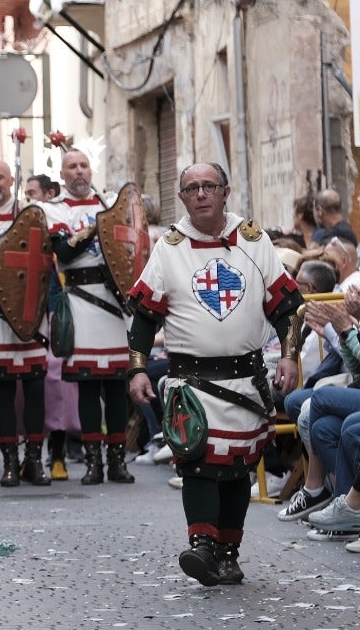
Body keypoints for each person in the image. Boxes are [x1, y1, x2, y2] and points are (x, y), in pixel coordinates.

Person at [127, 163, 304, 585]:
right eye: (192, 188)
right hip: (191, 382)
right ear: (182, 198)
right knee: (198, 462)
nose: (201, 193)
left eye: (209, 186)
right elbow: (145, 316)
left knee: (237, 467)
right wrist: (137, 369)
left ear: (226, 191)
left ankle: (228, 552)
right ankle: (202, 546)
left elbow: (287, 307)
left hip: (245, 379)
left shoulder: (254, 241)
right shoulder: (169, 247)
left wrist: (290, 356)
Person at [45, 149, 135, 485]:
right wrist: (99, 226)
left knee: (114, 386)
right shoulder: (55, 209)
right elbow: (64, 252)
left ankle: (117, 462)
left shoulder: (112, 204)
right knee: (86, 385)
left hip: (114, 300)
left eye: (84, 165)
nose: (80, 172)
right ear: (63, 174)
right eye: (72, 167)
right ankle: (93, 462)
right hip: (81, 302)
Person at [0, 160, 52, 486]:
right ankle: (10, 462)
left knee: (34, 387)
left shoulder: (31, 211)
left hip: (30, 311)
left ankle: (35, 460)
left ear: (11, 180)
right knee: (2, 388)